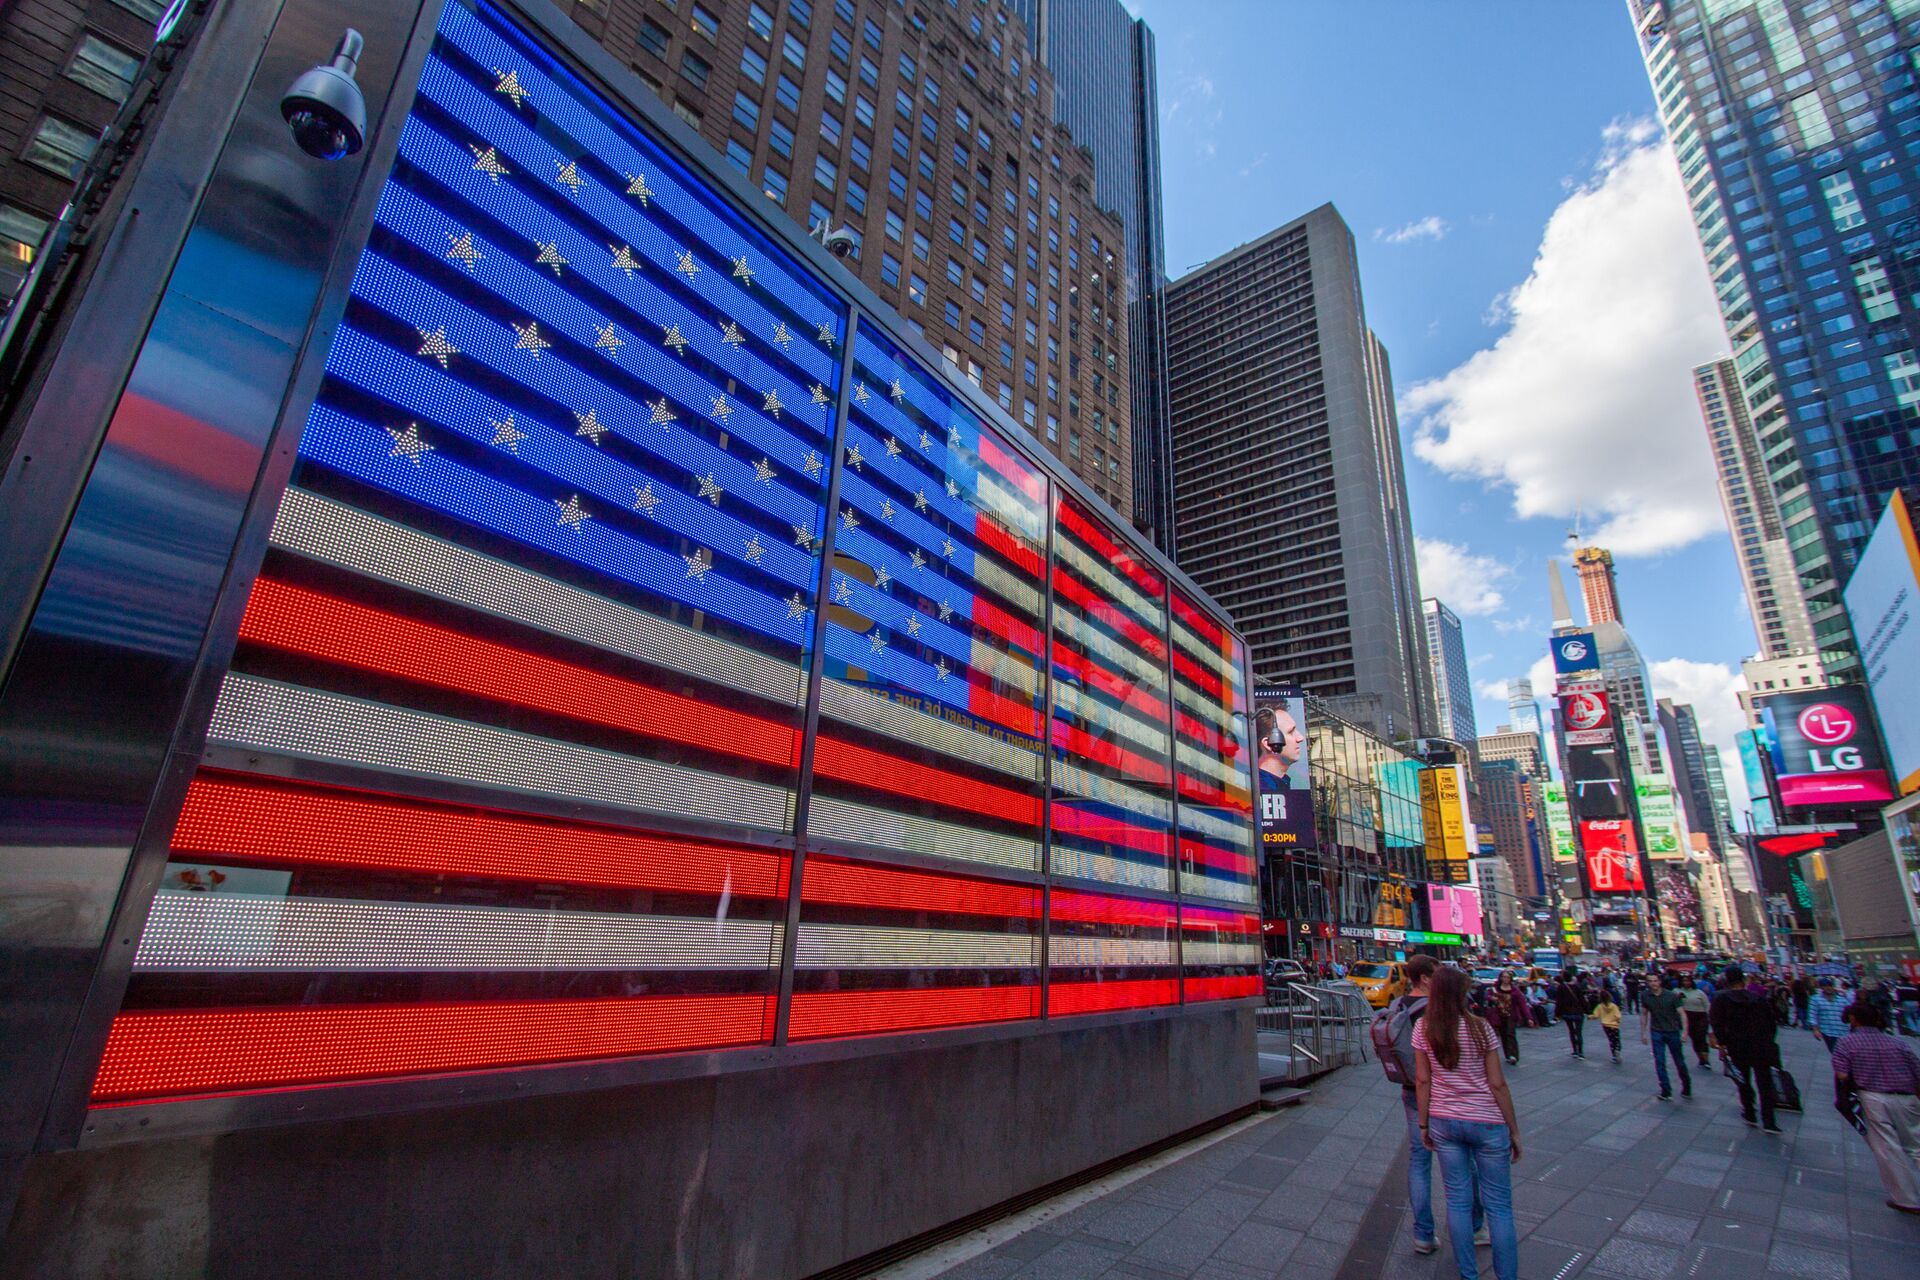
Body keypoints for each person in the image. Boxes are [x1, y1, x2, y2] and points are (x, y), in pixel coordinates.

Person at [1414, 965, 1520, 1280]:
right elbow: (1498, 1084)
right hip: (1487, 1121)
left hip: (1444, 1122)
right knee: (1499, 1207)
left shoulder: (1424, 1028)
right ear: (1461, 994)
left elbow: (1423, 1080)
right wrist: (1513, 1129)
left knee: (1457, 1202)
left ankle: (1468, 1274)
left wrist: (1423, 1125)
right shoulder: (1480, 1028)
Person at [1387, 956, 1486, 1257]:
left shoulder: (1398, 1006)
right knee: (1463, 1162)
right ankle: (1474, 1226)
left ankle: (1423, 1234)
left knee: (1419, 1161)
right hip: (1443, 1093)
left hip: (1412, 1091)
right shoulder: (1437, 1010)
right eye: (1437, 974)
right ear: (1427, 978)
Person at [1833, 1001, 1920, 1213]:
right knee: (1916, 1146)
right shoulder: (1898, 1043)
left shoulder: (1846, 1043)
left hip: (1872, 1097)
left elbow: (1843, 1075)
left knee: (1888, 1148)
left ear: (1853, 1019)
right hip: (1907, 1098)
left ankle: (1907, 1199)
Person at [1710, 966, 1783, 1133]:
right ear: (1743, 981)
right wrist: (1768, 1041)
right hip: (1761, 1045)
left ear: (1727, 981)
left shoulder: (1721, 999)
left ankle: (1750, 1111)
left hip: (1738, 1045)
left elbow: (1717, 1024)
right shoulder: (1758, 998)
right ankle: (1769, 1120)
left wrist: (1723, 1044)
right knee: (1764, 1082)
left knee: (1743, 1079)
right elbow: (1771, 1023)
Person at [1640, 971, 1693, 1101]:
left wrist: (1685, 1032)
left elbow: (1682, 1014)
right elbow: (1644, 1013)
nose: (1653, 983)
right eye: (1650, 981)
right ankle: (1666, 1089)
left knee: (1679, 1061)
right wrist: (1643, 1032)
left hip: (1672, 1031)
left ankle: (1686, 1085)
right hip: (1656, 1031)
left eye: (1655, 980)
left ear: (1660, 982)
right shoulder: (1645, 996)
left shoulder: (1672, 996)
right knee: (1659, 1061)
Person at [1486, 970, 1526, 1065]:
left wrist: (1529, 1017)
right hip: (1499, 1014)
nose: (1505, 979)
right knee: (1503, 1034)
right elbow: (1487, 996)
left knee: (1510, 1033)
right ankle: (1508, 1055)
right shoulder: (1495, 988)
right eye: (1504, 977)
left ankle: (1514, 1055)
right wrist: (1492, 998)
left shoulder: (1515, 990)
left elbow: (1522, 1003)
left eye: (1507, 977)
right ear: (1500, 978)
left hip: (1511, 1014)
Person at [1553, 970, 1589, 1058]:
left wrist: (1557, 1014)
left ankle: (1575, 1050)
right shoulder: (1576, 987)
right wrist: (1587, 1011)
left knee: (1571, 1032)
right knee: (1579, 1032)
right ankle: (1580, 1051)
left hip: (1567, 1013)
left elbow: (1559, 1002)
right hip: (1578, 1012)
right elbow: (1582, 1000)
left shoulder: (1561, 988)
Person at [1808, 978, 1849, 1052]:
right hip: (1828, 1032)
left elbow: (1849, 1013)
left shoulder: (1842, 1000)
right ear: (1821, 988)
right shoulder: (1815, 999)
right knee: (1836, 1054)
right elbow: (1812, 1016)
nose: (1828, 988)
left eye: (1830, 986)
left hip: (1844, 1031)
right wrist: (1815, 1030)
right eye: (1825, 986)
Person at [1680, 980, 1712, 1068]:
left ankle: (1706, 1060)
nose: (1686, 982)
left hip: (1701, 1017)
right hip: (1688, 1017)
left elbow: (1707, 1005)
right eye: (1684, 980)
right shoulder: (1678, 992)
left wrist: (1708, 1016)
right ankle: (1701, 1059)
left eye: (1688, 980)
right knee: (1694, 1038)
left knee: (1701, 1037)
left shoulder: (1699, 992)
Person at [1592, 990, 1623, 1064]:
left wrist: (1590, 1017)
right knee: (1617, 1039)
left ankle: (1614, 1055)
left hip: (1606, 1025)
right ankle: (1617, 1049)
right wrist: (1617, 1021)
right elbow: (1618, 1015)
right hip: (1614, 1025)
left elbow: (1596, 1015)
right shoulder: (1613, 1006)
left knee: (1611, 1040)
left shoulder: (1599, 1006)